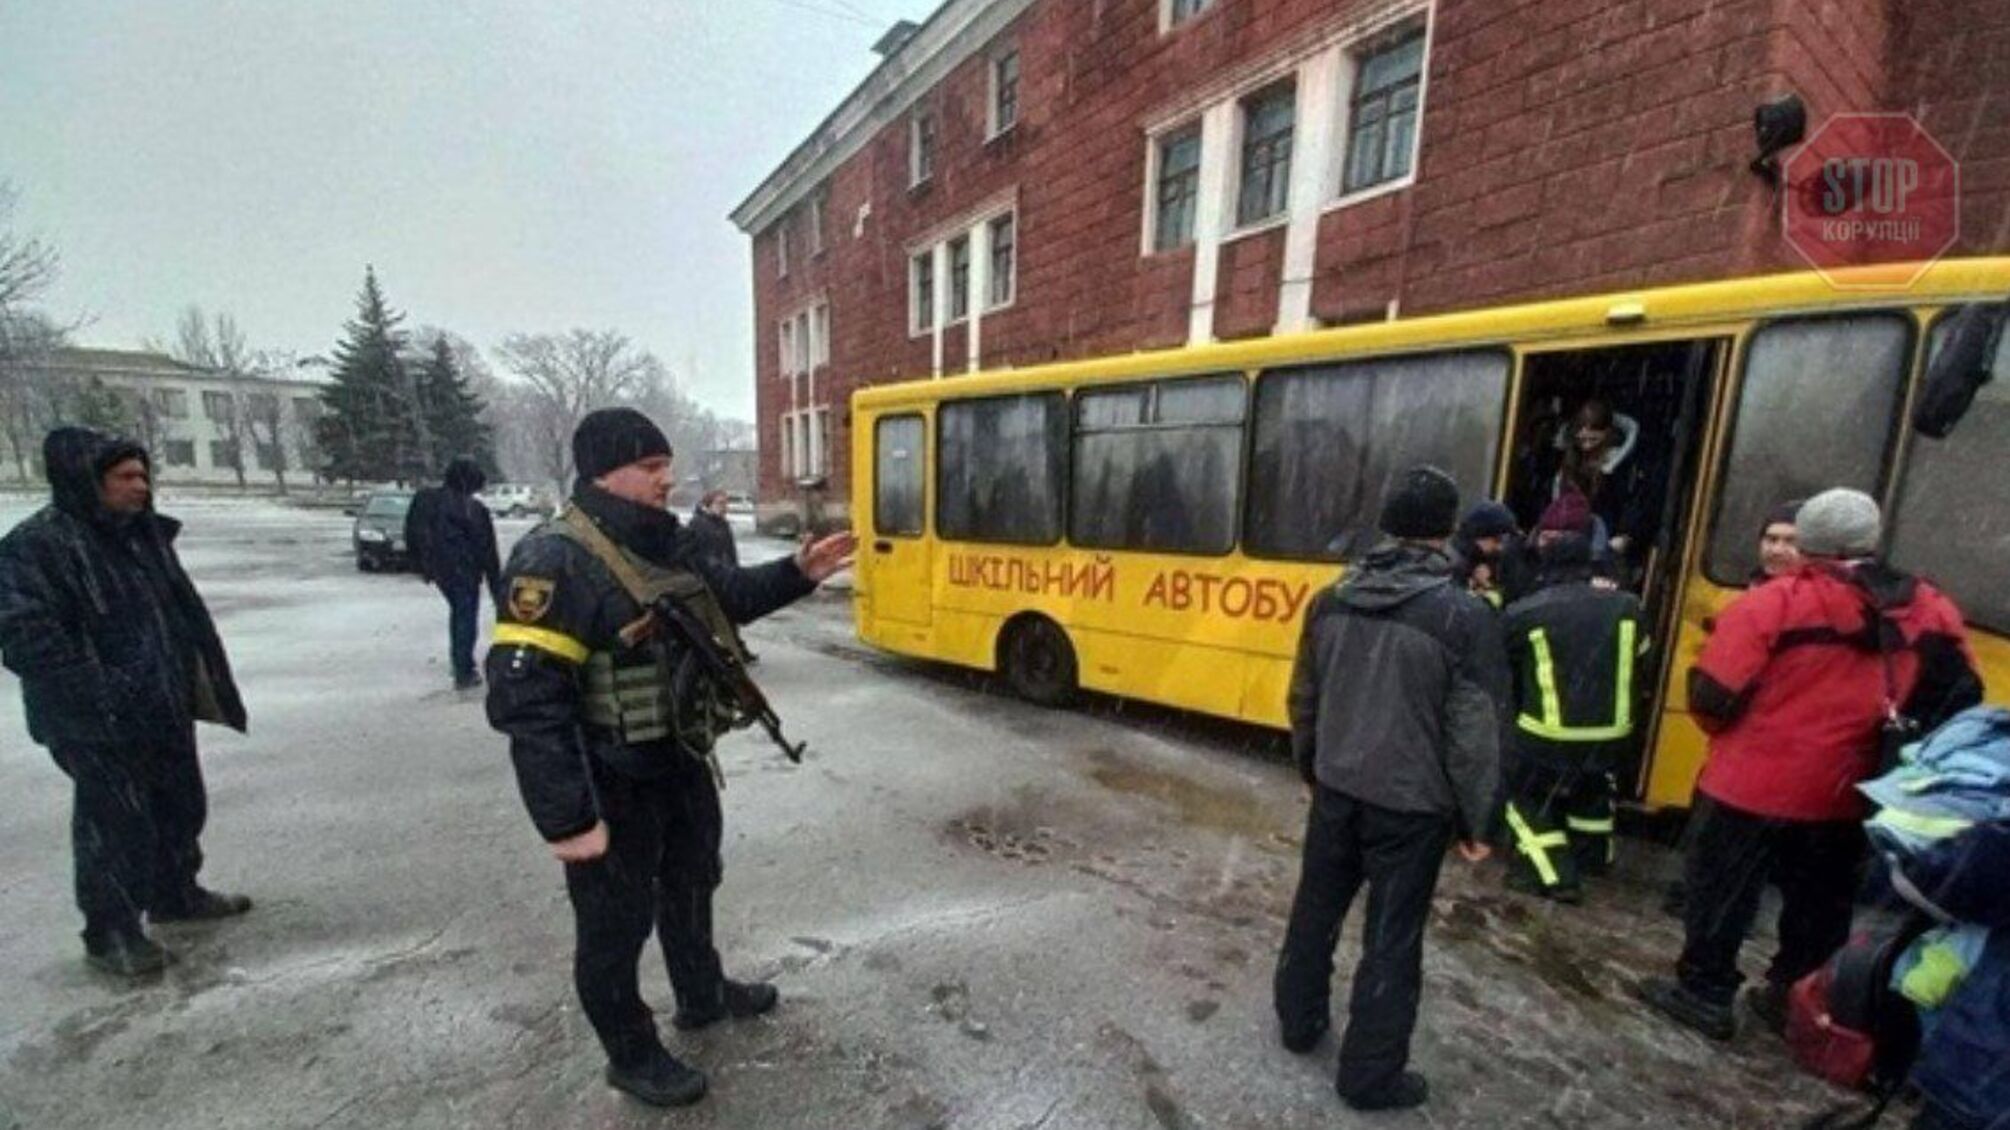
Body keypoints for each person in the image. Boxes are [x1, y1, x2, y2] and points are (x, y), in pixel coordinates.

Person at [485, 408, 853, 1108]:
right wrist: (568, 820)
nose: (667, 478)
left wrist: (797, 572)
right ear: (604, 472)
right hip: (610, 775)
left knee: (692, 880)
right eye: (651, 468)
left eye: (666, 465)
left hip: (678, 757)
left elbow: (726, 598)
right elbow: (527, 702)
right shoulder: (553, 560)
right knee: (612, 925)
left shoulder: (665, 541)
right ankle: (631, 1053)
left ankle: (701, 993)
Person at [1638, 488, 1981, 1041]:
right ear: (1871, 540)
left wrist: (1750, 737)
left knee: (1722, 890)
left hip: (1751, 783)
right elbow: (1960, 693)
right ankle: (1791, 996)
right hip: (1852, 787)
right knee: (1820, 903)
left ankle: (1704, 992)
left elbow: (1712, 696)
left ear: (1810, 543)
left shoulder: (1771, 604)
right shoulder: (1929, 608)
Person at [1273, 465, 1505, 1113]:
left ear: (1387, 524)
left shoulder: (1333, 597)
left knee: (1314, 910)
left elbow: (1304, 699)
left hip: (1339, 791)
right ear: (1447, 532)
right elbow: (1474, 734)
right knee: (1392, 940)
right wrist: (1477, 823)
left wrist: (1315, 770)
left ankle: (1299, 1022)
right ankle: (1370, 1076)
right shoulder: (1463, 615)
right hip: (1413, 808)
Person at [0, 428, 252, 977]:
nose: (140, 487)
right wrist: (102, 690)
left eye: (144, 475)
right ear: (88, 481)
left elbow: (176, 613)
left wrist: (195, 677)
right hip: (92, 719)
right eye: (126, 477)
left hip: (159, 703)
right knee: (115, 823)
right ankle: (110, 932)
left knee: (180, 802)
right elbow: (25, 636)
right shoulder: (37, 546)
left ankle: (175, 893)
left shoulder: (140, 538)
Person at [1498, 493, 1645, 904]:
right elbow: (1643, 658)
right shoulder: (1628, 606)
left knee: (1521, 800)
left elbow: (1500, 667)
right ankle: (1594, 857)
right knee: (1591, 792)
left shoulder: (1526, 611)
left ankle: (1556, 874)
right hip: (1613, 735)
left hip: (1548, 734)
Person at [411, 456, 503, 689]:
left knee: (460, 613)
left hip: (442, 570)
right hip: (465, 571)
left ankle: (461, 663)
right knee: (465, 616)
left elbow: (413, 532)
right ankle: (463, 669)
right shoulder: (474, 510)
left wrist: (423, 565)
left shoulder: (426, 500)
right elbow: (488, 551)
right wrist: (497, 589)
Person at [1555, 397, 1659, 576]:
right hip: (1568, 546)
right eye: (1581, 433)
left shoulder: (1624, 469)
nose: (1586, 440)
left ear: (1607, 433)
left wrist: (1625, 537)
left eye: (1593, 434)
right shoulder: (1565, 464)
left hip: (1608, 549)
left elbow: (1635, 506)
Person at [1449, 500, 1528, 609]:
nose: (1500, 547)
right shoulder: (1453, 567)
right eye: (1496, 540)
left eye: (1504, 541)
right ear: (1478, 535)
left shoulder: (1496, 564)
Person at [687, 490, 740, 573]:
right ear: (709, 505)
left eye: (726, 504)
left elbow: (731, 551)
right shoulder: (697, 524)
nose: (725, 507)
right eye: (720, 503)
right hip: (709, 573)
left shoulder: (724, 524)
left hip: (726, 571)